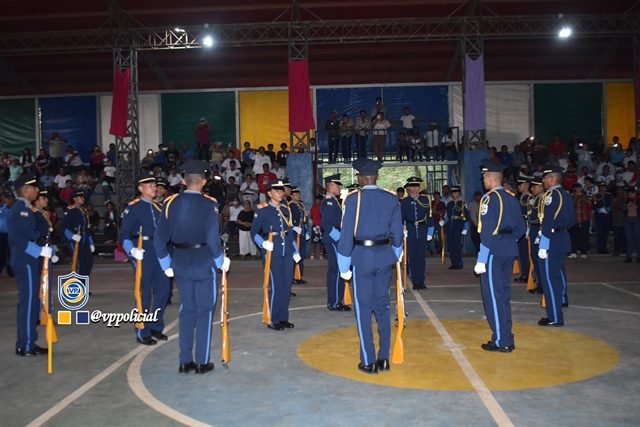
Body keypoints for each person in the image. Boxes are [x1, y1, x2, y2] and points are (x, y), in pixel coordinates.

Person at [154, 160, 230, 374]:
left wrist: (165, 263)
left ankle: (184, 361)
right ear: (204, 181)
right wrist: (220, 261)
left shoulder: (170, 203)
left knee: (187, 310)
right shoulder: (209, 204)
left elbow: (159, 238)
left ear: (183, 180)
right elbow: (212, 239)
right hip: (203, 260)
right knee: (204, 311)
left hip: (179, 261)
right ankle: (202, 362)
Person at [336, 158, 403, 373]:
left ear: (360, 178)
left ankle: (368, 361)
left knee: (363, 309)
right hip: (384, 257)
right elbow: (398, 233)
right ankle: (384, 358)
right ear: (376, 177)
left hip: (362, 258)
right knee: (383, 307)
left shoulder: (353, 200)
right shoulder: (391, 199)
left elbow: (346, 235)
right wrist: (396, 254)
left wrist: (343, 265)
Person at [474, 160, 525, 352]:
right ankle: (505, 335)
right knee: (503, 295)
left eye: (484, 177)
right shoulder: (512, 198)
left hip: (493, 251)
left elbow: (487, 232)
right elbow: (521, 229)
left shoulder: (489, 199)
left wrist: (481, 259)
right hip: (509, 248)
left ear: (489, 178)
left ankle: (502, 341)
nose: (483, 180)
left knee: (493, 297)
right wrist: (509, 240)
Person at [119, 173, 170, 345]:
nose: (154, 188)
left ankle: (155, 326)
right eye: (150, 185)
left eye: (154, 185)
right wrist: (131, 250)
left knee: (164, 291)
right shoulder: (133, 208)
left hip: (160, 251)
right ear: (140, 188)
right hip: (142, 251)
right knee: (144, 293)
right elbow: (124, 234)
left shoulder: (159, 207)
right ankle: (142, 329)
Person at [9, 174, 54, 356]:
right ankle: (26, 344)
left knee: (31, 301)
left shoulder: (25, 209)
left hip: (28, 259)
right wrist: (39, 251)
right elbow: (19, 239)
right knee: (28, 303)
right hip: (25, 259)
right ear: (25, 189)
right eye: (34, 187)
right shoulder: (21, 210)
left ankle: (27, 341)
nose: (37, 190)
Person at [251, 180, 301, 331]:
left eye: (281, 190)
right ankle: (273, 319)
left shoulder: (285, 209)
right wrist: (263, 243)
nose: (280, 193)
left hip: (287, 251)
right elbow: (254, 232)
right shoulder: (262, 210)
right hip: (272, 251)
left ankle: (283, 317)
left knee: (286, 285)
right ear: (269, 193)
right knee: (276, 285)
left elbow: (289, 232)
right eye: (277, 191)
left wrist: (295, 251)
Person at [537, 165, 575, 327]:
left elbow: (547, 221)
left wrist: (544, 245)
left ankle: (555, 317)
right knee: (556, 278)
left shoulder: (551, 196)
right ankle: (557, 312)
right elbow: (572, 221)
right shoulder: (566, 195)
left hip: (551, 241)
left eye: (545, 178)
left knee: (549, 280)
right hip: (562, 238)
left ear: (552, 178)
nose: (543, 181)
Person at [321, 174, 350, 311]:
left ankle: (333, 301)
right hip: (333, 238)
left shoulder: (333, 201)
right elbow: (326, 224)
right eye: (337, 186)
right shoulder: (329, 202)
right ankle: (335, 302)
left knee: (334, 269)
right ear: (331, 186)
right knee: (337, 268)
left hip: (334, 238)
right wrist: (339, 238)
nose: (339, 188)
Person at [400, 177, 434, 290]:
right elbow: (401, 218)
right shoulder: (404, 202)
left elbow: (429, 216)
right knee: (412, 256)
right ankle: (415, 280)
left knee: (421, 257)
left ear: (419, 188)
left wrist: (430, 231)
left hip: (422, 229)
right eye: (412, 186)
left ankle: (421, 280)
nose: (415, 189)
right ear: (409, 188)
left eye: (417, 186)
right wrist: (402, 230)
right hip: (410, 230)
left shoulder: (425, 200)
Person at [61, 190, 95, 277]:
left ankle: (84, 284)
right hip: (75, 241)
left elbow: (87, 228)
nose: (82, 199)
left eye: (83, 197)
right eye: (80, 197)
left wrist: (91, 243)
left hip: (84, 240)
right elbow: (63, 227)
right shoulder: (70, 210)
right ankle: (78, 285)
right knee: (80, 263)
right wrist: (72, 236)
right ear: (75, 199)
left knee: (88, 263)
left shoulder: (83, 211)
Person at [441, 186, 469, 269]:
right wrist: (444, 221)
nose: (453, 194)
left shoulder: (463, 203)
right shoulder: (450, 203)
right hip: (450, 226)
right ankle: (453, 263)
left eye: (455, 192)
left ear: (459, 193)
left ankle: (459, 263)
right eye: (452, 192)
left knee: (458, 245)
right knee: (451, 245)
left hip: (458, 225)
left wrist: (466, 227)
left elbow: (466, 216)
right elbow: (447, 216)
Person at [527, 174, 545, 294]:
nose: (532, 189)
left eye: (534, 186)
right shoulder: (535, 199)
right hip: (533, 228)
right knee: (534, 257)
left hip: (539, 229)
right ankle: (539, 283)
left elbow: (540, 217)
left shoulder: (542, 199)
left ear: (540, 187)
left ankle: (543, 284)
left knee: (539, 258)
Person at [514, 175, 532, 283]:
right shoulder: (521, 197)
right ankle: (524, 273)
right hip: (521, 227)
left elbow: (530, 215)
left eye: (520, 184)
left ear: (526, 185)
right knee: (521, 253)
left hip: (526, 227)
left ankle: (528, 274)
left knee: (525, 253)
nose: (518, 187)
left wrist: (528, 230)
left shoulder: (529, 198)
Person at [290, 186, 309, 284]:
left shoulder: (300, 205)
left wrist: (306, 231)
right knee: (295, 255)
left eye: (298, 194)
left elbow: (304, 220)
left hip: (301, 232)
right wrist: (294, 227)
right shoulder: (290, 206)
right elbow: (288, 221)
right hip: (294, 233)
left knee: (301, 255)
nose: (298, 195)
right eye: (295, 194)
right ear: (291, 196)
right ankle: (293, 276)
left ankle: (299, 275)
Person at [593, 181, 612, 254]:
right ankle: (600, 248)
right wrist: (599, 210)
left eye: (604, 187)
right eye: (601, 187)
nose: (602, 188)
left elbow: (611, 204)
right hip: (599, 216)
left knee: (605, 233)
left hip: (606, 215)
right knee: (599, 233)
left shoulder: (609, 195)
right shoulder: (596, 195)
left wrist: (607, 210)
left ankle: (604, 248)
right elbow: (594, 205)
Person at [623, 187, 640, 263]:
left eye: (631, 194)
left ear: (635, 193)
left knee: (638, 238)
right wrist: (627, 207)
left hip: (637, 220)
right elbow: (623, 210)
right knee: (629, 239)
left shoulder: (639, 200)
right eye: (629, 194)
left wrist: (637, 207)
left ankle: (639, 256)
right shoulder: (627, 200)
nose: (630, 195)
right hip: (628, 220)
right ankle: (629, 256)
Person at [309, 194, 324, 259]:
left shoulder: (322, 207)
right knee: (314, 241)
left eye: (318, 200)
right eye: (316, 200)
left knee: (321, 241)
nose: (317, 201)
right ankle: (312, 254)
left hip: (321, 226)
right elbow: (311, 216)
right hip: (315, 225)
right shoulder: (313, 207)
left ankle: (321, 254)